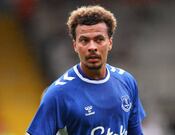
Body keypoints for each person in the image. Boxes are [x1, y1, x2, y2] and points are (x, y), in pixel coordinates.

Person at [26, 5, 146, 135]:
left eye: (99, 39)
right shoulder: (58, 93)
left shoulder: (127, 81)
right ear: (75, 46)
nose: (92, 47)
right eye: (84, 40)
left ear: (110, 43)